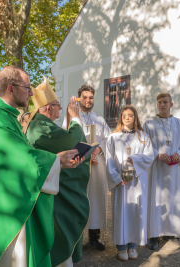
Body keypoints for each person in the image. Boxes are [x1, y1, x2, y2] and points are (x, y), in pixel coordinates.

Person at [0, 66, 83, 267]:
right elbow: (19, 159)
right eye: (27, 87)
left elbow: (20, 154)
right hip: (5, 209)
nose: (30, 92)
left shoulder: (3, 116)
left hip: (11, 198)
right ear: (11, 89)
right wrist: (56, 160)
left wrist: (57, 162)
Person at [26, 76, 90, 266]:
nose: (61, 109)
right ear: (47, 108)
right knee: (56, 233)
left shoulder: (41, 125)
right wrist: (76, 117)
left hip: (51, 186)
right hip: (51, 194)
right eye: (57, 105)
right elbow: (73, 143)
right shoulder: (40, 127)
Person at [62, 84, 111, 251]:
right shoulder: (71, 117)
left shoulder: (100, 119)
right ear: (79, 98)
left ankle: (94, 237)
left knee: (95, 200)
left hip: (97, 166)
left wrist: (98, 148)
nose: (88, 100)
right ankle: (75, 240)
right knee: (78, 199)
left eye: (90, 97)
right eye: (85, 97)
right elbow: (65, 136)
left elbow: (108, 139)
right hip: (79, 164)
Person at [106, 105, 155, 261]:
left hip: (138, 181)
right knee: (122, 211)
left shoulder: (143, 136)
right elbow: (109, 160)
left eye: (131, 115)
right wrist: (116, 177)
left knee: (136, 212)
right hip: (121, 183)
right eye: (124, 115)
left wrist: (135, 159)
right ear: (121, 117)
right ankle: (121, 247)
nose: (127, 117)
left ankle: (132, 246)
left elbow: (150, 156)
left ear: (135, 118)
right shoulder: (113, 137)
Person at [143, 92, 180, 249]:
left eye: (165, 102)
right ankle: (154, 235)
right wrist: (157, 153)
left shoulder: (179, 123)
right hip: (156, 169)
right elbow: (144, 144)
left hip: (174, 170)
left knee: (173, 199)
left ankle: (172, 231)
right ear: (157, 105)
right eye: (159, 102)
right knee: (156, 199)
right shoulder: (149, 124)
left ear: (171, 104)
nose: (162, 104)